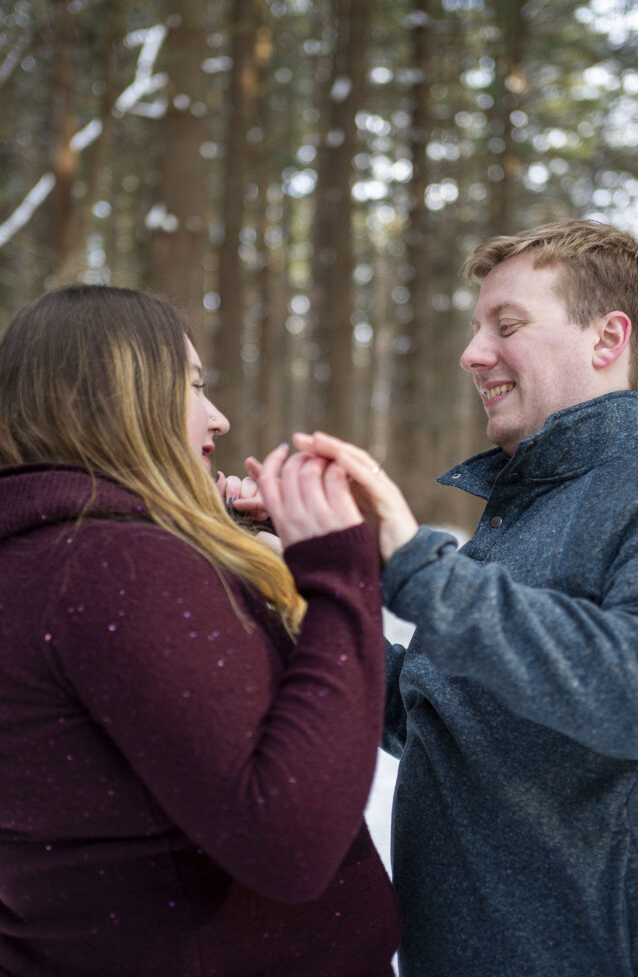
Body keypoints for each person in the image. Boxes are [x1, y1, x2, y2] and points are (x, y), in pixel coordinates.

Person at [286, 220, 638, 977]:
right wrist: (293, 594)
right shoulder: (518, 515)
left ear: (607, 341)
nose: (473, 354)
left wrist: (418, 566)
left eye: (506, 325)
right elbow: (438, 719)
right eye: (476, 329)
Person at [0, 283, 400, 977]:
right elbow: (289, 843)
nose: (216, 417)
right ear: (115, 398)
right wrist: (340, 576)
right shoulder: (113, 564)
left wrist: (232, 568)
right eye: (190, 386)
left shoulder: (40, 553)